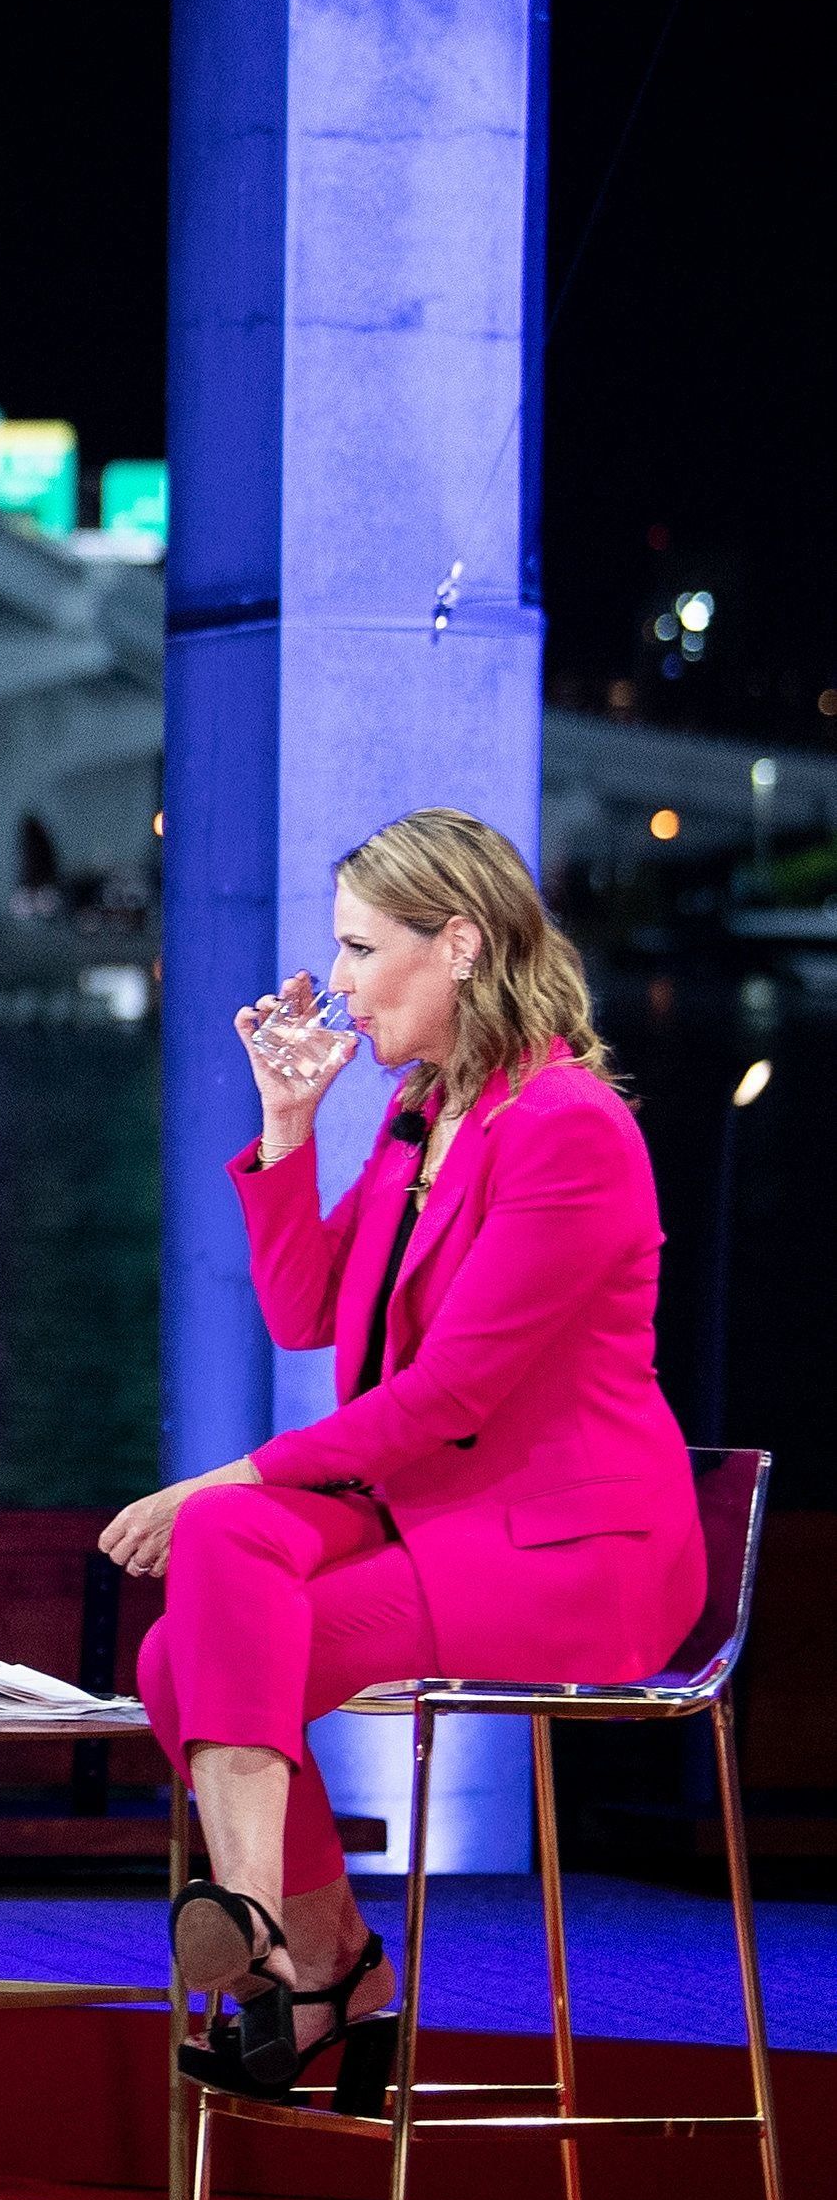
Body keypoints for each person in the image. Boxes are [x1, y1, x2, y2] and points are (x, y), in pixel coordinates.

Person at [99, 808, 702, 2112]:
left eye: (365, 950)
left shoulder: (567, 1127)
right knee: (207, 1591)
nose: (345, 982)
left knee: (186, 1633)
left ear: (462, 946)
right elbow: (311, 1312)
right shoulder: (423, 1120)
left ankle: (288, 1944)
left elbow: (449, 1394)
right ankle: (312, 1954)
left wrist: (223, 1475)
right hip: (439, 1517)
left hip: (575, 1551)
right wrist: (285, 1124)